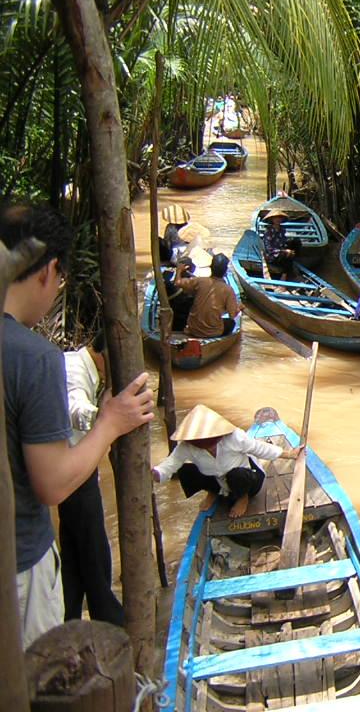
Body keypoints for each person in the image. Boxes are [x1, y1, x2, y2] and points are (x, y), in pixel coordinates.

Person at [1, 204, 153, 648]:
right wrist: (111, 422)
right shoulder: (33, 358)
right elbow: (51, 484)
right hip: (19, 570)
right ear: (49, 270)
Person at [58, 332, 124, 626]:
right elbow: (75, 409)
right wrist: (109, 417)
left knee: (75, 552)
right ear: (105, 354)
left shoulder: (84, 368)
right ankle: (108, 620)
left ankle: (69, 615)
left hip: (73, 467)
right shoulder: (75, 370)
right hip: (74, 471)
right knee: (94, 550)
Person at [151, 404, 303, 518]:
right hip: (218, 481)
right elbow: (171, 462)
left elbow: (259, 448)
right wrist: (157, 473)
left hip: (246, 481)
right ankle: (213, 491)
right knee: (186, 470)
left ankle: (243, 498)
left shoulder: (234, 437)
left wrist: (289, 454)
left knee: (237, 474)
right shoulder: (187, 446)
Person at [174, 252, 240, 338]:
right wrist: (239, 308)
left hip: (193, 329)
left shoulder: (199, 281)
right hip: (213, 332)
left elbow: (177, 282)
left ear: (211, 268)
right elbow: (232, 315)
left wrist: (179, 270)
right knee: (231, 323)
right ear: (225, 272)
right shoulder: (228, 290)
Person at [260, 208, 302, 279]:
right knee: (287, 257)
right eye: (275, 218)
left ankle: (292, 263)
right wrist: (285, 251)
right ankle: (284, 275)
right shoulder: (268, 232)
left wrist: (288, 250)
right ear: (272, 219)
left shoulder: (282, 230)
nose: (278, 219)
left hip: (281, 251)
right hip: (272, 255)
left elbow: (283, 243)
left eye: (280, 217)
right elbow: (269, 249)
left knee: (296, 242)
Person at [162, 256, 196, 332]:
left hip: (179, 312)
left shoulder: (167, 276)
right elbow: (176, 286)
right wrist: (179, 271)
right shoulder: (168, 276)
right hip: (177, 311)